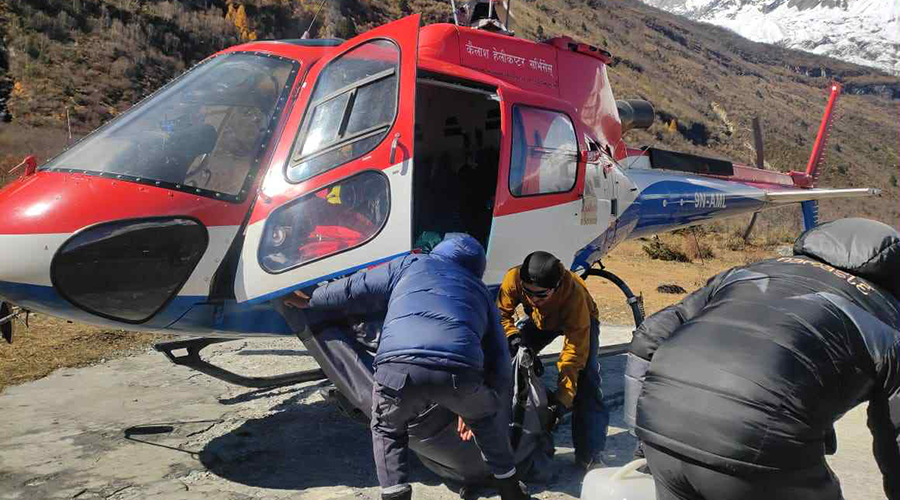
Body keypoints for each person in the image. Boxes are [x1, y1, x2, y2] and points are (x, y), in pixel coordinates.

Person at [625, 217, 899, 500]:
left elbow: (650, 334)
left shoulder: (745, 272)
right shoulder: (888, 317)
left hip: (661, 429)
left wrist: (642, 441)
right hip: (755, 449)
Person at [284, 234, 529, 500]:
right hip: (459, 372)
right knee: (485, 422)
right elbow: (499, 359)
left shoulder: (411, 264)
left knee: (388, 429)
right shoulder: (480, 291)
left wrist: (310, 300)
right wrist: (486, 401)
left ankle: (395, 494)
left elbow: (356, 287)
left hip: (398, 368)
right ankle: (511, 491)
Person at [496, 251, 610, 472]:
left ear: (556, 286)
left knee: (586, 382)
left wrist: (562, 399)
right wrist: (514, 339)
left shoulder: (574, 297)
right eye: (528, 294)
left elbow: (573, 356)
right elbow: (499, 315)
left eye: (540, 295)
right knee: (506, 359)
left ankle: (590, 455)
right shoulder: (514, 278)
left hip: (580, 321)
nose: (532, 299)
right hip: (540, 321)